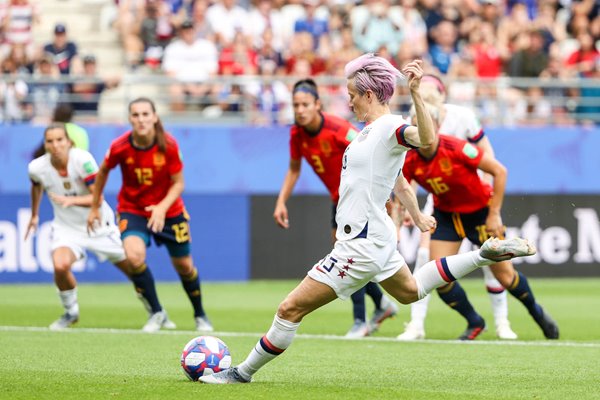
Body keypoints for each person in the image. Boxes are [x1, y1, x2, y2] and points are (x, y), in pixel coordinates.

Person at [199, 54, 536, 384]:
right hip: (375, 237)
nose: (350, 104)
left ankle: (241, 373)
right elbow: (399, 179)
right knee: (411, 290)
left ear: (370, 95)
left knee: (289, 310)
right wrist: (417, 214)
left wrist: (416, 92)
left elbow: (426, 138)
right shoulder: (370, 132)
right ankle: (483, 255)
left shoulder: (390, 127)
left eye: (352, 96)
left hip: (358, 244)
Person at [401, 101, 559, 341]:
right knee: (438, 279)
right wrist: (407, 212)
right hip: (447, 217)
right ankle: (475, 321)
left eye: (425, 124)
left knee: (505, 277)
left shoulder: (457, 147)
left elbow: (500, 171)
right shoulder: (411, 160)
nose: (421, 130)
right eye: (416, 126)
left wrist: (494, 213)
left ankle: (536, 312)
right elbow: (403, 187)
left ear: (437, 125)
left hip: (479, 215)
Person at [273, 78, 398, 339]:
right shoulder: (297, 133)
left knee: (349, 255)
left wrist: (391, 195)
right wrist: (281, 200)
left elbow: (375, 153)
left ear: (318, 104)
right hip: (339, 200)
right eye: (296, 105)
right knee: (346, 256)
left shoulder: (339, 128)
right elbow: (294, 169)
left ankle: (360, 321)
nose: (300, 110)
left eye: (305, 104)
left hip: (360, 201)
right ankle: (382, 304)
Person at [397, 74, 517, 341]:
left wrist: (486, 196)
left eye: (430, 93)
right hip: (438, 197)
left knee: (490, 259)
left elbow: (487, 152)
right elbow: (410, 169)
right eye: (421, 93)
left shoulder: (462, 116)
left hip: (470, 194)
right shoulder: (411, 120)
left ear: (440, 96)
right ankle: (416, 323)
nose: (424, 97)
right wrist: (409, 207)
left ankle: (502, 322)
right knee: (425, 257)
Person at [25, 123, 170, 332]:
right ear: (45, 144)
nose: (55, 145)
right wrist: (34, 214)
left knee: (134, 269)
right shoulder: (37, 167)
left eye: (60, 140)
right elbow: (36, 185)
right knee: (60, 265)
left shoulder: (82, 160)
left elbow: (97, 197)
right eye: (50, 141)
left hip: (99, 226)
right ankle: (71, 312)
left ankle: (156, 310)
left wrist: (70, 201)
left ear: (68, 142)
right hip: (67, 228)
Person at [87, 97, 213, 332]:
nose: (141, 119)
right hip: (133, 209)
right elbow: (102, 171)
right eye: (136, 115)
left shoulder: (169, 145)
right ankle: (157, 312)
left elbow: (179, 184)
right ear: (129, 119)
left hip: (170, 210)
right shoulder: (120, 146)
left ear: (155, 117)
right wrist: (95, 205)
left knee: (185, 267)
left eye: (146, 114)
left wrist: (161, 208)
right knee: (134, 258)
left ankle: (200, 314)